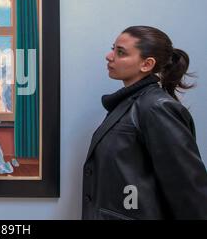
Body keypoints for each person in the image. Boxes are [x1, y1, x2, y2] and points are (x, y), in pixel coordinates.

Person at [82, 26, 207, 220]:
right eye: (113, 48)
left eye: (120, 52)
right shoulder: (128, 103)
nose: (109, 56)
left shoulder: (156, 107)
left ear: (147, 64)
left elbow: (188, 190)